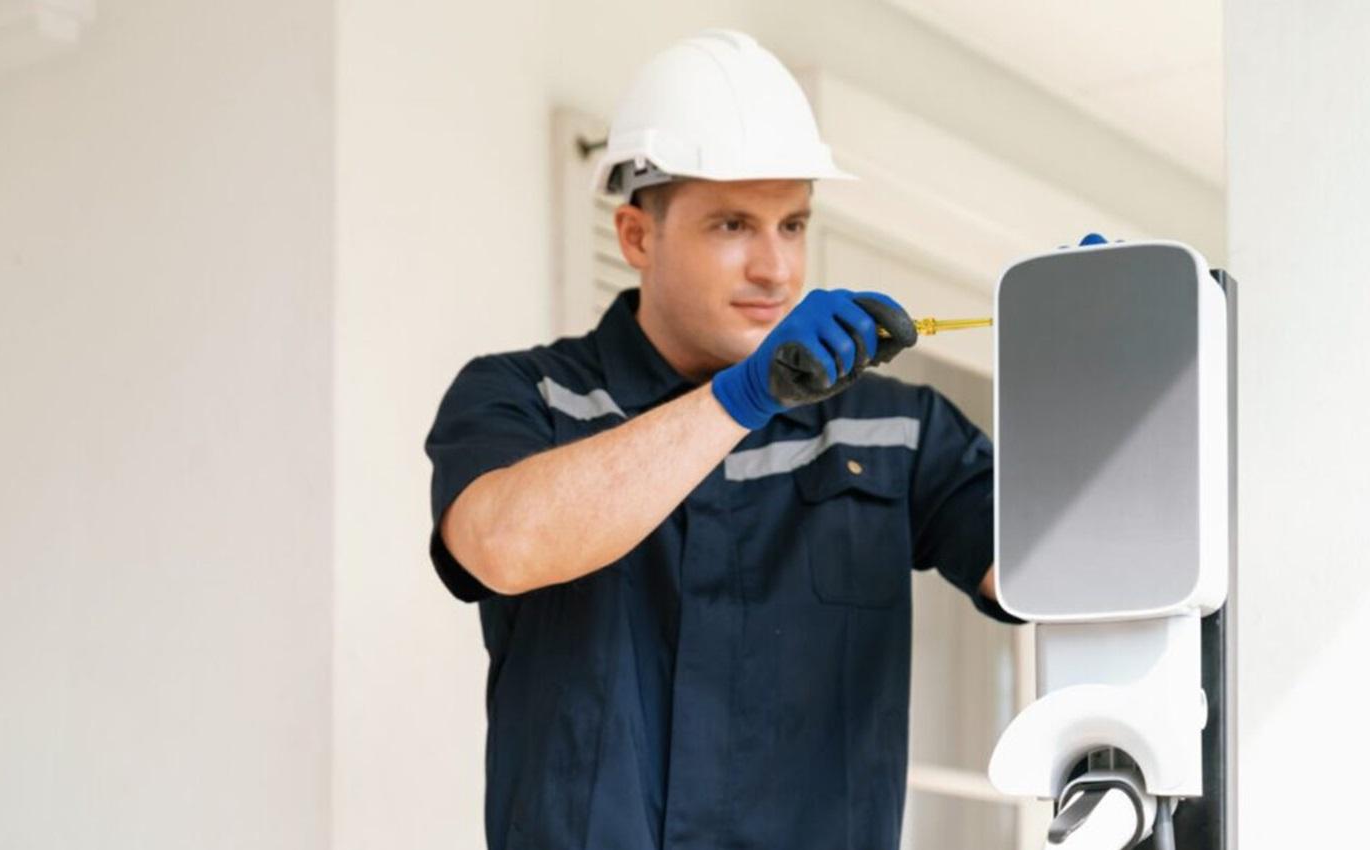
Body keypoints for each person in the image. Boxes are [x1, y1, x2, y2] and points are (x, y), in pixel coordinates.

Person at [424, 29, 1022, 850]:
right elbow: (503, 545)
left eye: (794, 224)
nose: (776, 269)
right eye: (734, 224)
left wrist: (1096, 394)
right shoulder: (529, 398)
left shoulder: (895, 434)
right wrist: (740, 399)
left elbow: (1063, 569)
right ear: (637, 236)